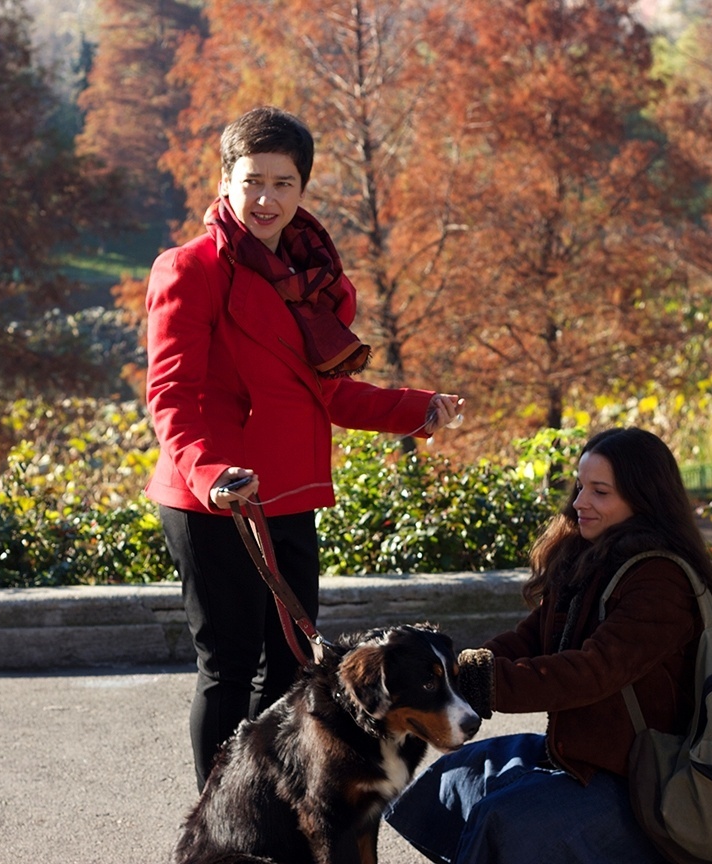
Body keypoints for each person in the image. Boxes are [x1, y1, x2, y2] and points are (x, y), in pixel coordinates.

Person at [143, 106, 464, 790]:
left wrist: (416, 410)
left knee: (290, 667)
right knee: (227, 667)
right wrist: (210, 474)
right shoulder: (189, 270)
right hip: (217, 498)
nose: (265, 199)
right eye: (251, 181)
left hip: (287, 493)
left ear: (302, 190)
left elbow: (325, 396)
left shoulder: (308, 277)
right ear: (226, 181)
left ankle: (260, 794)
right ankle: (221, 821)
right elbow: (171, 393)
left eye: (282, 184)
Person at [384, 426, 712, 863]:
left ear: (642, 498)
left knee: (504, 818)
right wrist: (455, 673)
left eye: (600, 491)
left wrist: (488, 682)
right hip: (580, 757)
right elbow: (533, 638)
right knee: (453, 779)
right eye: (579, 486)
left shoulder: (660, 580)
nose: (579, 502)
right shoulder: (588, 558)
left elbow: (593, 671)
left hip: (643, 782)